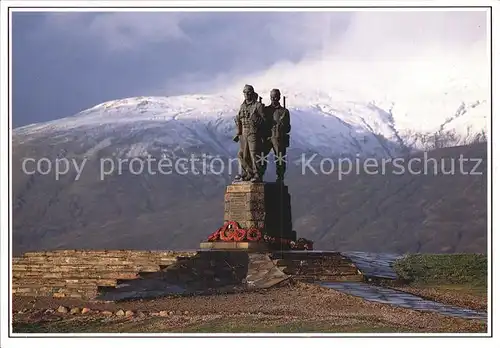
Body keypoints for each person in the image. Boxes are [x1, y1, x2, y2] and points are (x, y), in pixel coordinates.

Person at [233, 84, 267, 183]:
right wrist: (238, 131)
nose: (247, 94)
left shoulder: (258, 106)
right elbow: (239, 119)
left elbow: (265, 121)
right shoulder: (242, 106)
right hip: (243, 133)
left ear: (252, 93)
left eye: (249, 92)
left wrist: (257, 120)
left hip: (253, 133)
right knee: (242, 154)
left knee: (254, 154)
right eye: (245, 92)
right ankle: (248, 172)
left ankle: (257, 174)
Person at [263, 89, 291, 182]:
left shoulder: (284, 111)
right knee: (260, 156)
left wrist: (283, 124)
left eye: (275, 96)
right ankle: (259, 174)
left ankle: (280, 176)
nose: (273, 98)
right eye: (272, 96)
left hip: (278, 137)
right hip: (267, 137)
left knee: (279, 158)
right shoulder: (265, 110)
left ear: (279, 97)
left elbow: (288, 129)